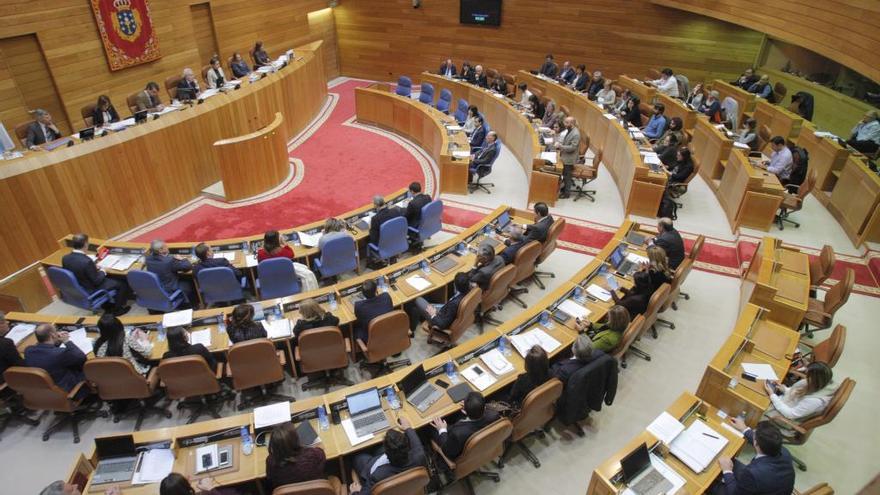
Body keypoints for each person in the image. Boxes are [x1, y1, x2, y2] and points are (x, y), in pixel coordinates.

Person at [716, 419, 795, 495]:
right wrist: (744, 428)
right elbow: (762, 440)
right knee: (730, 463)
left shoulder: (753, 473)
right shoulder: (783, 451)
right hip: (771, 486)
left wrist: (727, 471)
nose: (753, 433)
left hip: (756, 480)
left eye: (754, 433)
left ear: (756, 444)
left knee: (712, 484)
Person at [350, 417, 425, 495]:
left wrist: (355, 492)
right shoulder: (419, 456)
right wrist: (408, 428)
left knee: (358, 457)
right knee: (378, 449)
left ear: (387, 454)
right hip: (409, 487)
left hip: (370, 468)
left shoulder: (377, 475)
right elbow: (416, 443)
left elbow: (366, 492)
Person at [62, 233, 131, 315]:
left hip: (80, 285)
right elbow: (97, 281)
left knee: (111, 279)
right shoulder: (86, 261)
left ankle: (107, 305)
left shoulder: (65, 258)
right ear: (85, 244)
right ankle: (117, 310)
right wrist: (103, 271)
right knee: (122, 283)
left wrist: (93, 268)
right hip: (90, 288)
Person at [431, 391, 500, 459]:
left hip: (456, 450)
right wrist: (473, 407)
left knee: (429, 428)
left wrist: (442, 430)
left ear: (464, 411)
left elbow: (447, 451)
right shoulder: (494, 415)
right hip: (480, 445)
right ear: (484, 407)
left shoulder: (457, 434)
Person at [764, 362, 836, 426]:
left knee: (758, 403)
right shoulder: (818, 384)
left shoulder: (815, 401)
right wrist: (784, 389)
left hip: (784, 417)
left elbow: (790, 414)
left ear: (815, 379)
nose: (805, 377)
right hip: (784, 402)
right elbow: (797, 394)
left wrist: (772, 395)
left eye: (808, 376)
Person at [24, 324, 86, 393]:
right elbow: (81, 357)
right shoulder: (59, 353)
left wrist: (56, 340)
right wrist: (67, 341)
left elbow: (45, 348)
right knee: (85, 367)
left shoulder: (28, 350)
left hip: (42, 390)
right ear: (52, 335)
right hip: (64, 389)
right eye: (56, 331)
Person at [265, 421, 326, 491]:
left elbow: (270, 479)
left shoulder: (271, 462)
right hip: (316, 492)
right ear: (297, 440)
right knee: (333, 478)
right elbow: (321, 450)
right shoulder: (312, 455)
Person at [405, 272, 470, 332]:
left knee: (417, 299)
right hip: (445, 309)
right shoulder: (468, 291)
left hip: (438, 318)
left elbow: (442, 324)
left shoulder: (454, 304)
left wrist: (433, 314)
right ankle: (421, 317)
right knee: (424, 301)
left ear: (455, 285)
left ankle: (411, 329)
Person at [145, 239, 196, 306]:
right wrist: (182, 259)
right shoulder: (169, 261)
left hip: (157, 287)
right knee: (190, 282)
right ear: (160, 250)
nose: (167, 247)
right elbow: (187, 266)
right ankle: (190, 305)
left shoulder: (148, 259)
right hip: (170, 288)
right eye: (165, 246)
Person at [353, 279, 393, 344]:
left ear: (362, 294)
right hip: (389, 330)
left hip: (372, 337)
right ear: (376, 290)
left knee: (354, 329)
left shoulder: (359, 306)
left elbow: (359, 320)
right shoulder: (386, 296)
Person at [556, 116, 580, 198]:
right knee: (565, 175)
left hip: (569, 158)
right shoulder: (570, 130)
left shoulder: (576, 134)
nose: (564, 124)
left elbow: (573, 148)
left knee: (567, 176)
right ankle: (563, 189)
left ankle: (566, 194)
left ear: (572, 123)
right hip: (565, 154)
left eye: (567, 122)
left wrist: (561, 146)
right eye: (565, 122)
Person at [0, 312, 24, 383]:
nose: (8, 323)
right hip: (6, 382)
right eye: (4, 321)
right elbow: (21, 366)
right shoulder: (6, 343)